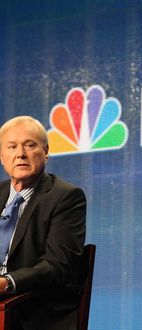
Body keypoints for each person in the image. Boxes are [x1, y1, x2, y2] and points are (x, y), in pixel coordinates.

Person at [0, 116, 86, 329]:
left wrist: (7, 282)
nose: (20, 154)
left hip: (34, 311)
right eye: (12, 147)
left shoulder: (66, 197)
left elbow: (58, 266)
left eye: (29, 145)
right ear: (2, 156)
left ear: (46, 152)